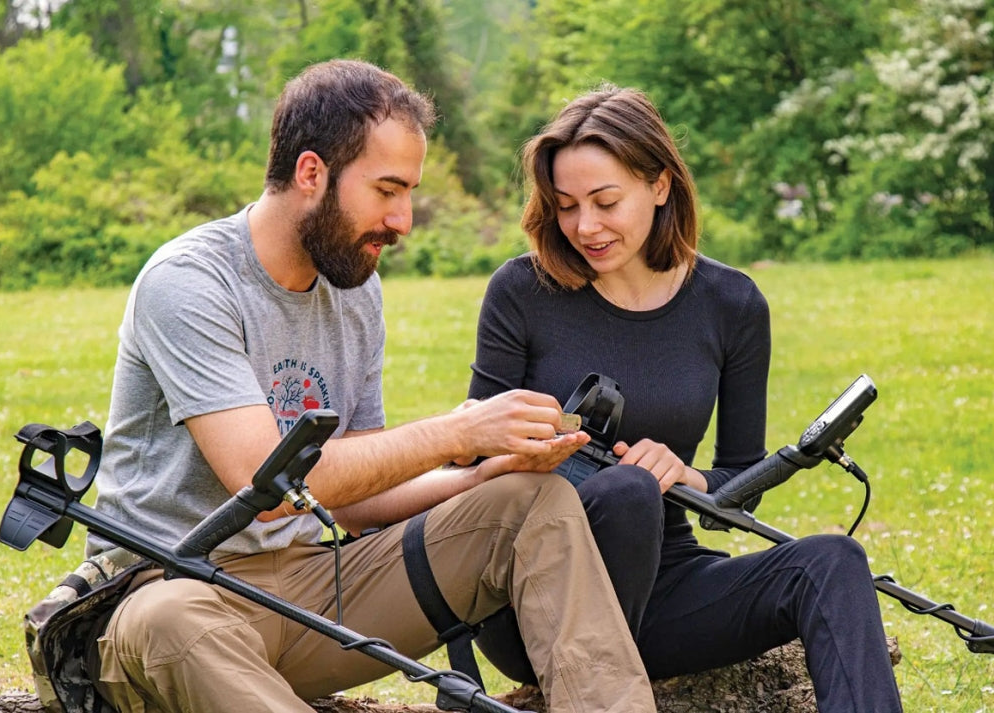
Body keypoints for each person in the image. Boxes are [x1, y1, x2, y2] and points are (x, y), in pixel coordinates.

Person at [84, 61, 658, 713]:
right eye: (387, 190)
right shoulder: (190, 281)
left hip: (311, 588)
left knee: (532, 501)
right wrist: (458, 432)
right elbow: (262, 485)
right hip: (172, 588)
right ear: (311, 173)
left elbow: (355, 498)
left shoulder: (354, 291)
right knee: (167, 622)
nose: (403, 219)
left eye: (408, 192)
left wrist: (481, 475)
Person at [468, 84, 903, 713]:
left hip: (663, 584)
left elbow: (739, 481)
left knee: (832, 560)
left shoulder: (732, 304)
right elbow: (471, 460)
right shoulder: (521, 291)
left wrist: (687, 475)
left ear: (660, 184)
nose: (585, 226)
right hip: (531, 590)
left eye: (605, 202)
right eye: (566, 207)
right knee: (626, 490)